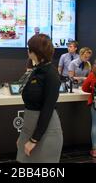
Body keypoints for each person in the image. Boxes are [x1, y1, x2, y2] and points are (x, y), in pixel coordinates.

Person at [16, 34, 63, 163]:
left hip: (46, 132)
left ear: (35, 51)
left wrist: (34, 139)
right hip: (30, 128)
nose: (27, 50)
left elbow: (48, 109)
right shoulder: (36, 70)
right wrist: (24, 135)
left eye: (29, 48)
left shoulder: (51, 74)